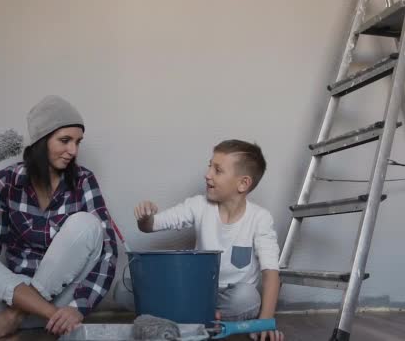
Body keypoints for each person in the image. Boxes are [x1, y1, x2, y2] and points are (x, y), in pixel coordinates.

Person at [0, 95, 117, 340]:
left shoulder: (84, 180)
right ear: (41, 141)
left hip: (62, 299)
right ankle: (35, 313)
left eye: (77, 142)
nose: (73, 151)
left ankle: (14, 318)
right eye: (65, 140)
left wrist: (79, 308)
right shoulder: (5, 181)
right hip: (11, 295)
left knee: (87, 224)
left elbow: (107, 252)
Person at [121, 139, 284, 341]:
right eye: (209, 166)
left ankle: (188, 318)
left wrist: (265, 321)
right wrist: (146, 218)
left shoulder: (260, 218)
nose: (207, 175)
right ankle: (203, 318)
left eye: (218, 170)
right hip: (195, 292)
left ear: (243, 183)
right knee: (123, 291)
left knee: (247, 297)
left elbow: (271, 273)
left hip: (230, 300)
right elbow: (150, 226)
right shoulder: (198, 206)